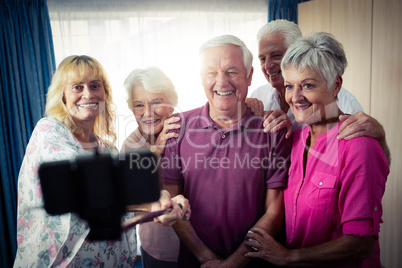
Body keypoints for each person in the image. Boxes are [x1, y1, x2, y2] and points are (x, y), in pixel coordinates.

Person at [14, 55, 187, 267]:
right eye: (77, 87)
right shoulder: (49, 131)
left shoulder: (108, 150)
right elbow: (82, 189)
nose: (88, 94)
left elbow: (123, 207)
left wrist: (165, 208)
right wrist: (153, 204)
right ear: (63, 96)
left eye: (95, 85)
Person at [244, 32, 389, 267]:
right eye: (290, 86)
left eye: (308, 85)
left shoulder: (357, 144)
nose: (296, 97)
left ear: (336, 85)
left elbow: (361, 243)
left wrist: (288, 257)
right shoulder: (296, 138)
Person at [162, 35, 291, 268]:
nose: (221, 82)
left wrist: (233, 264)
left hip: (254, 263)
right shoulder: (177, 127)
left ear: (249, 76)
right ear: (201, 77)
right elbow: (171, 199)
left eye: (232, 71)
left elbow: (274, 211)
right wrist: (206, 257)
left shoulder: (272, 131)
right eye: (211, 72)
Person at [253, 19, 391, 164]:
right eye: (262, 59)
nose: (267, 66)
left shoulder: (345, 104)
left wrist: (379, 138)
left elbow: (372, 162)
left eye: (276, 56)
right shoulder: (258, 96)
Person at [120, 66, 185, 268]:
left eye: (156, 102)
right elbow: (132, 198)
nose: (148, 113)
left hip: (198, 243)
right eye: (139, 105)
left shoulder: (186, 128)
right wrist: (157, 149)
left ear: (171, 104)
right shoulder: (130, 145)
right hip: (160, 250)